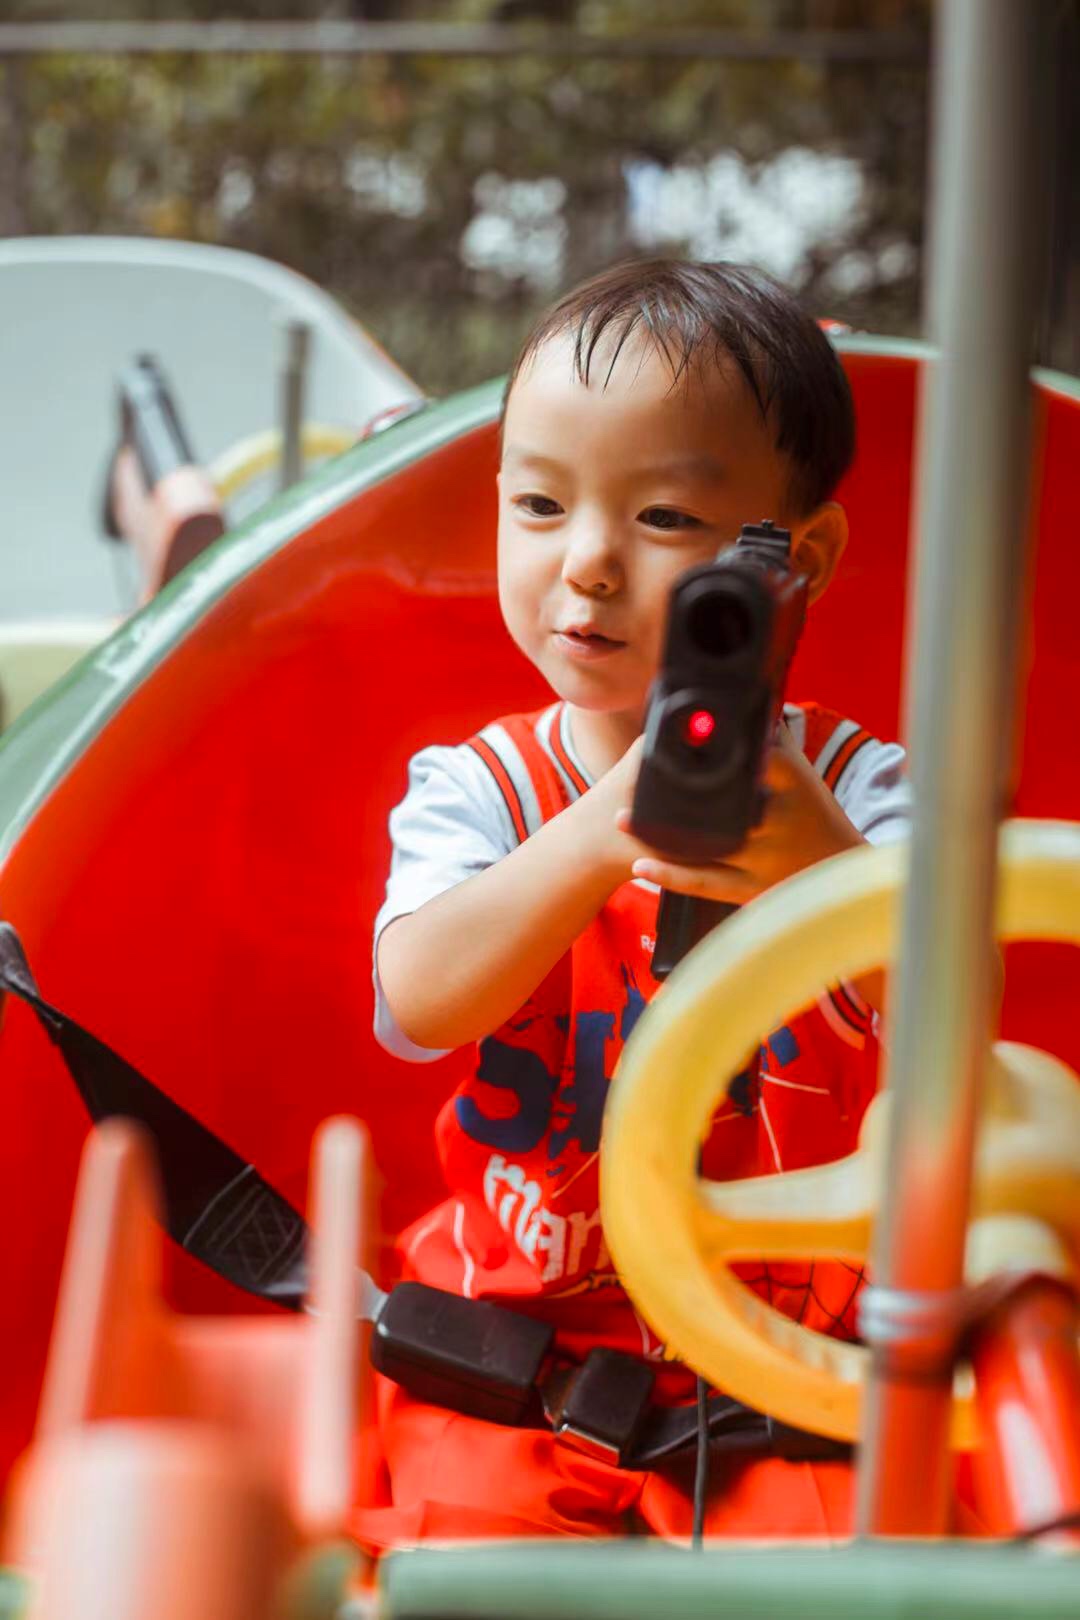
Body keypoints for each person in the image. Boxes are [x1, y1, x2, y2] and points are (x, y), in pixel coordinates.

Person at [352, 259, 911, 1548]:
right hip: (518, 1355)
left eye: (663, 517)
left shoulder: (857, 792)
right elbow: (416, 1006)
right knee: (466, 1568)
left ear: (800, 558)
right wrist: (598, 834)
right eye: (541, 504)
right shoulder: (481, 788)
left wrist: (821, 864)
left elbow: (953, 1008)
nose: (588, 563)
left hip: (792, 1368)